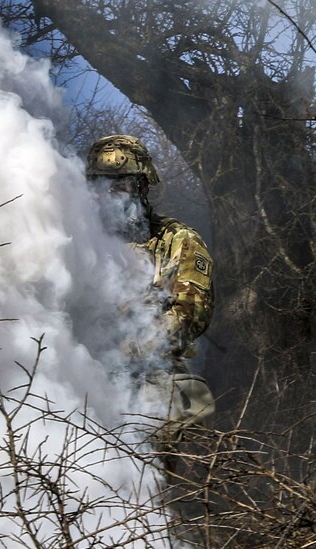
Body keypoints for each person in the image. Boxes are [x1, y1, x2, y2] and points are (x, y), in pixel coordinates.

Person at [85, 134, 215, 425]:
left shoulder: (176, 241)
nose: (108, 195)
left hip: (153, 375)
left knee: (165, 401)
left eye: (119, 185)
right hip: (88, 374)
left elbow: (190, 313)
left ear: (142, 187)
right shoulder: (81, 240)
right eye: (98, 185)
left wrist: (131, 346)